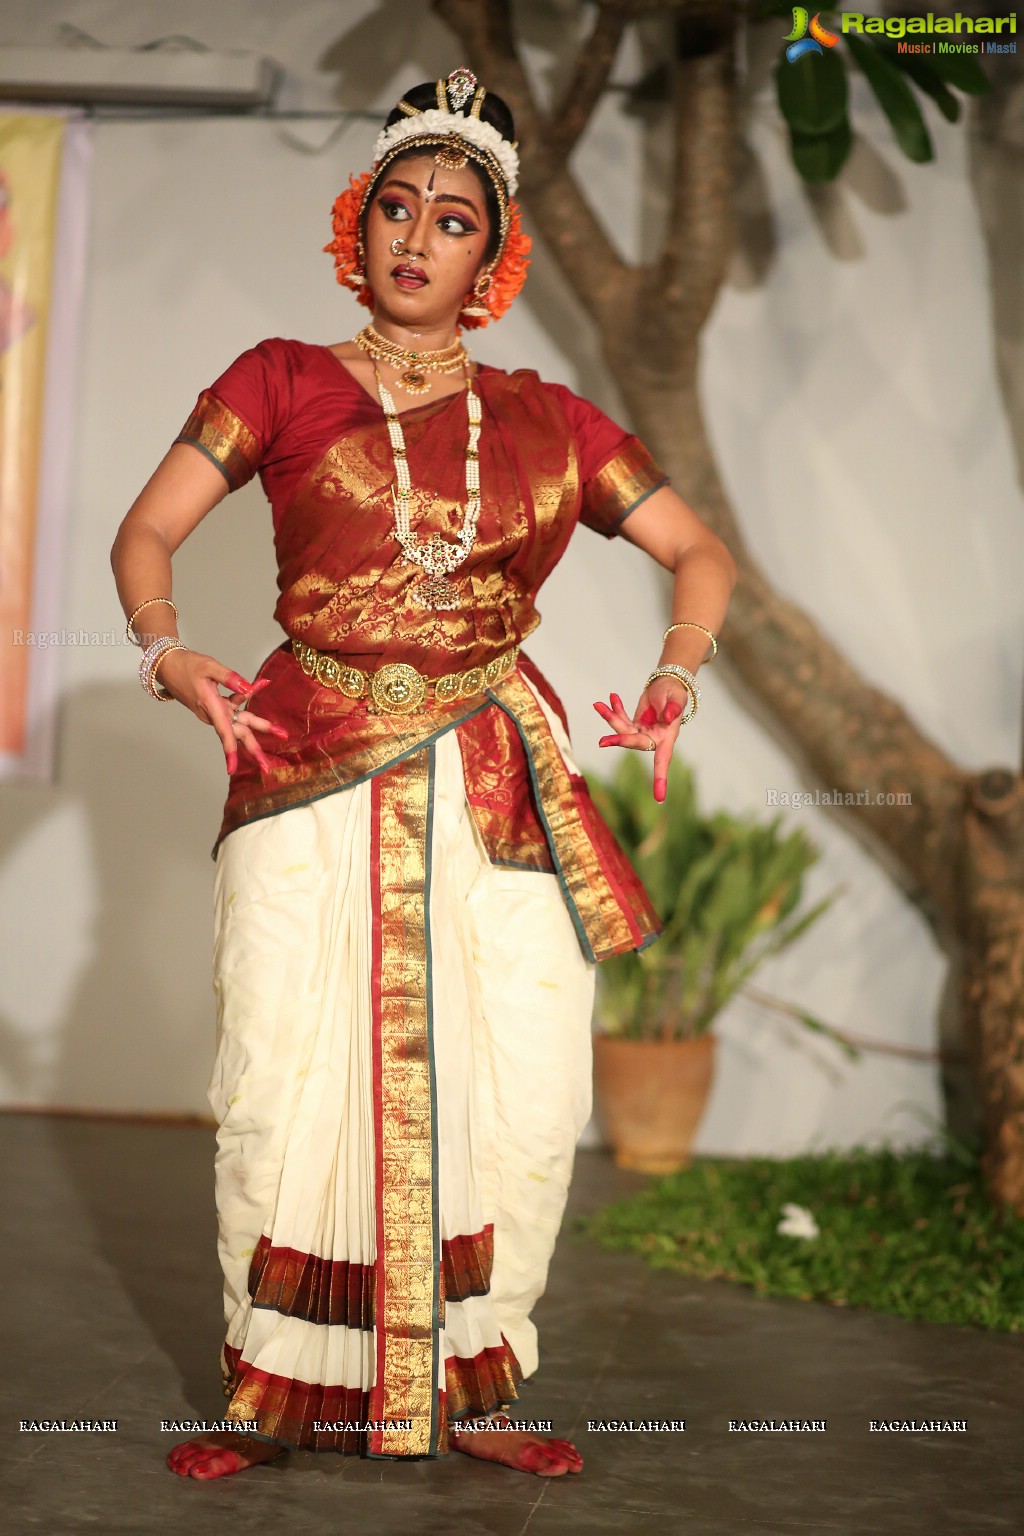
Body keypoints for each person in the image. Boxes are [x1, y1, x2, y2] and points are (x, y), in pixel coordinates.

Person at [110, 69, 736, 1481]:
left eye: (453, 219)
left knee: (520, 1083)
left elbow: (700, 553)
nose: (417, 236)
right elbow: (143, 538)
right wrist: (171, 655)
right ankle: (267, 1387)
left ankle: (484, 1377)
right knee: (283, 1071)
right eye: (396, 205)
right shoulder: (276, 379)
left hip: (497, 782)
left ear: (491, 257)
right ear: (359, 225)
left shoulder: (552, 419)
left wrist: (674, 675)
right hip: (306, 761)